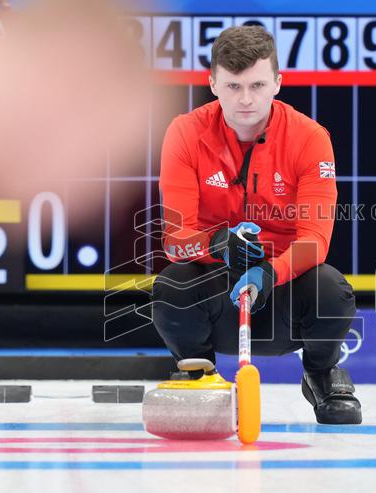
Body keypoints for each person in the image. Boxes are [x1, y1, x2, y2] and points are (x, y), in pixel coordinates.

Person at [151, 25, 361, 425]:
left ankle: (321, 373)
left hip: (280, 292)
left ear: (278, 83)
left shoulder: (311, 138)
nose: (245, 99)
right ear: (212, 83)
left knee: (332, 289)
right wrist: (216, 245)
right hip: (217, 291)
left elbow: (315, 241)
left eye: (257, 85)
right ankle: (198, 374)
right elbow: (175, 241)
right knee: (172, 285)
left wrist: (270, 271)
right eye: (232, 86)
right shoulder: (184, 133)